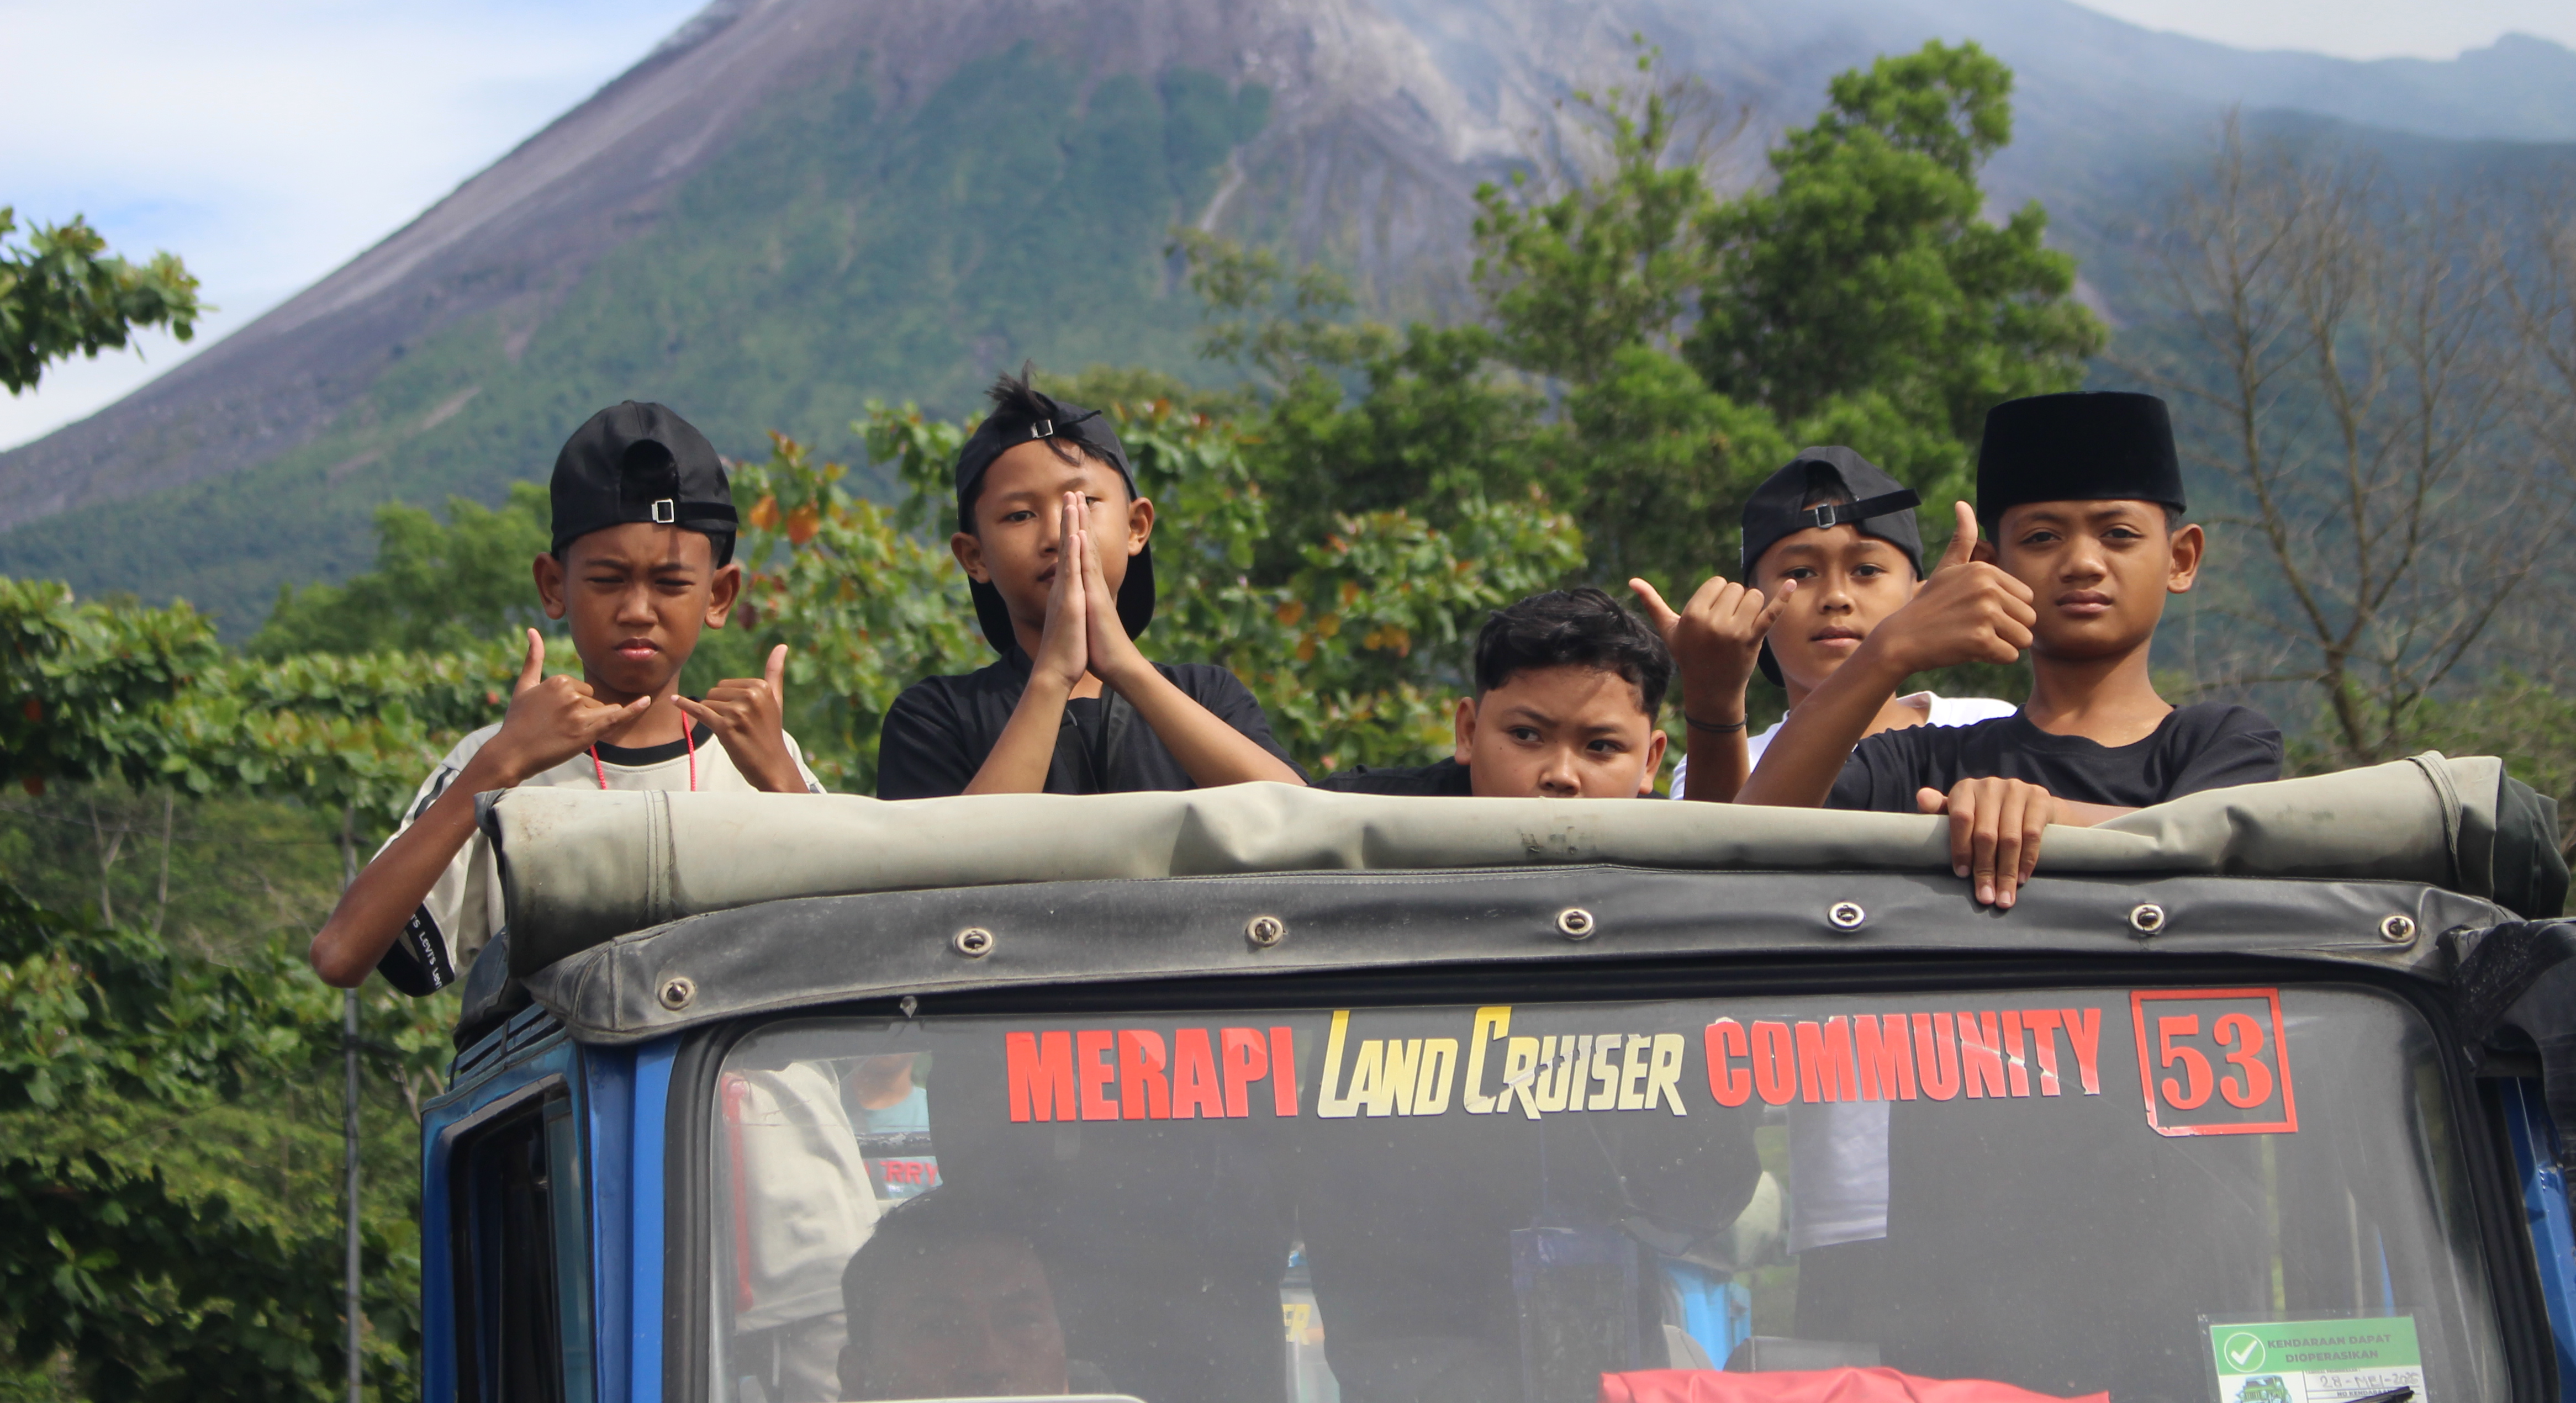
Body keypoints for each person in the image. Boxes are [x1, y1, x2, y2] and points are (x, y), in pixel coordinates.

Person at [310, 401, 822, 993]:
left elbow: (857, 955)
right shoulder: (500, 764)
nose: (636, 610)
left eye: (671, 583)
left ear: (719, 595)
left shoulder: (759, 756)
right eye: (607, 580)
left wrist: (784, 785)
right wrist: (499, 764)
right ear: (554, 587)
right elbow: (341, 955)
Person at [1741, 391, 2283, 907]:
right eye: (2043, 538)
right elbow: (1752, 839)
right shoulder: (1920, 761)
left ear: (2181, 559)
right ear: (1991, 567)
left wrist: (2048, 816)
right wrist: (1888, 650)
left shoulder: (2222, 741)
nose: (2083, 563)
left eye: (2118, 533)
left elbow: (2210, 846)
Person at [875, 372, 1300, 798]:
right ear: (975, 557)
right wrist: (1054, 675)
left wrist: (1126, 667)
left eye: (1082, 504)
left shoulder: (1207, 696)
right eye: (1020, 515)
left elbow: (1300, 816)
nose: (1058, 536)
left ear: (1136, 526)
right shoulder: (936, 716)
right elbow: (955, 855)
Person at [836, 1192, 1332, 1403]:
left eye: (1022, 1320)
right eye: (936, 1328)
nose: (989, 1362)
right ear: (857, 1379)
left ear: (1065, 1355)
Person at [1632, 446, 2015, 804]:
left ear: (1920, 591)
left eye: (1867, 570)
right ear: (1754, 601)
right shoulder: (1730, 762)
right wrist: (1713, 695)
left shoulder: (1989, 725)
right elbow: (1720, 859)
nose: (1836, 596)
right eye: (1801, 573)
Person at [1313, 588, 1669, 798]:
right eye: (1526, 735)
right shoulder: (1357, 821)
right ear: (1468, 731)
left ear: (1650, 762)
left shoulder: (1681, 865)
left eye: (1601, 747)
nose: (1561, 776)